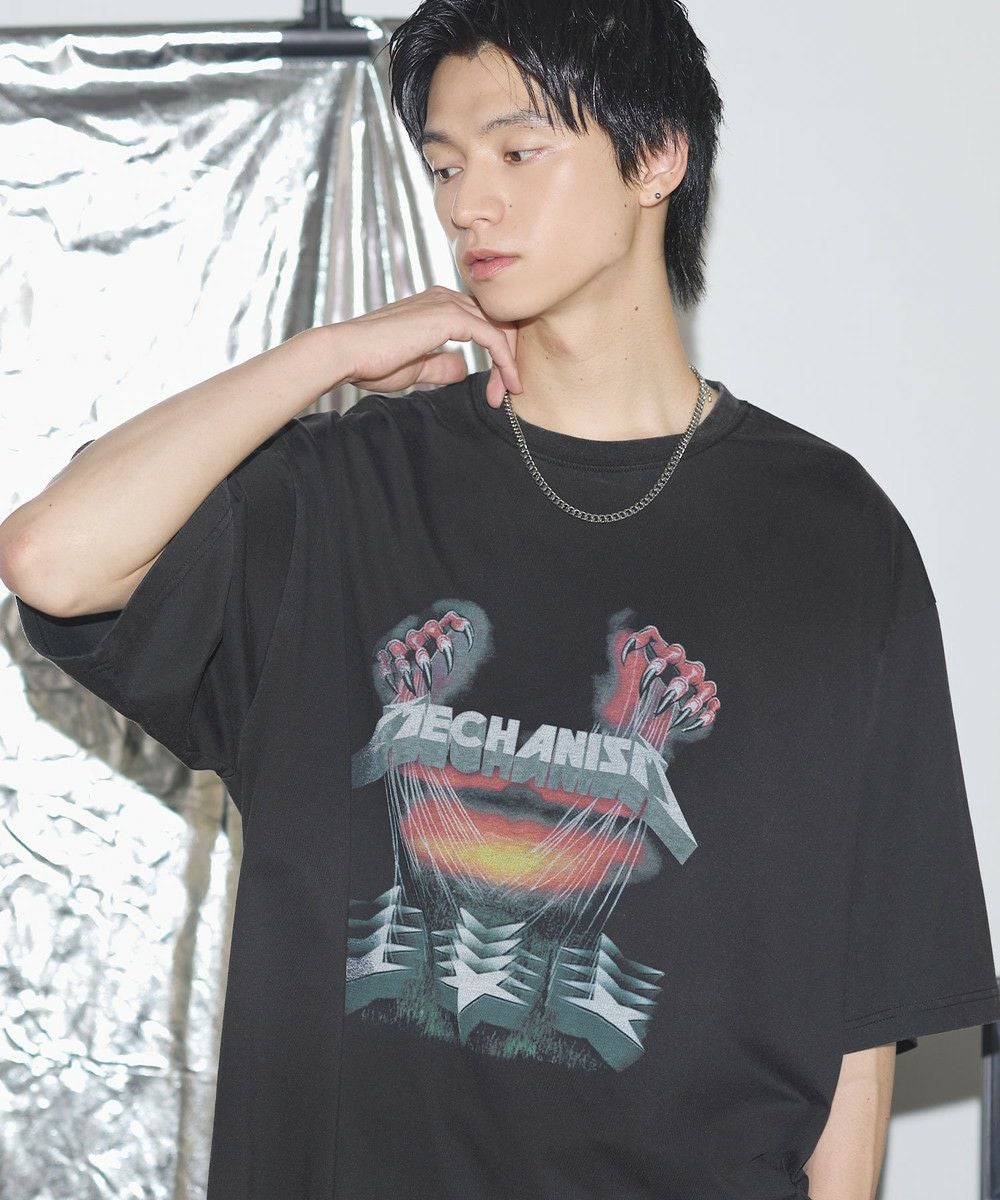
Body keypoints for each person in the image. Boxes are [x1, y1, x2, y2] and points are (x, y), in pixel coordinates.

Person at [1, 1, 997, 1197]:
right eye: (443, 165)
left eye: (518, 152)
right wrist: (325, 356)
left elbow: (858, 1016)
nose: (469, 203)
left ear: (657, 156)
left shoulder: (830, 537)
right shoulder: (347, 491)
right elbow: (53, 558)